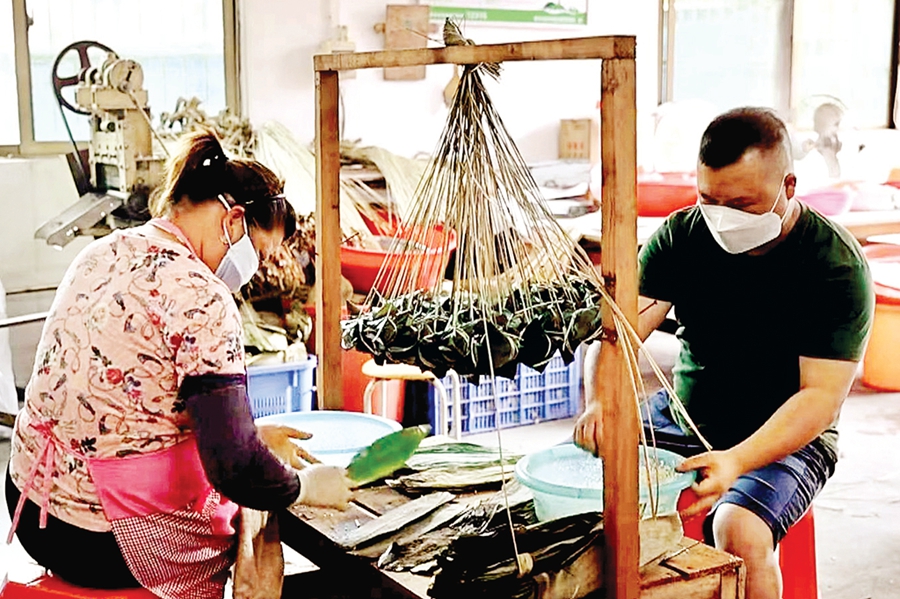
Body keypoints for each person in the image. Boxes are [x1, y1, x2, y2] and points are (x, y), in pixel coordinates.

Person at [5, 130, 353, 599]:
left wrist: (251, 434)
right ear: (233, 220)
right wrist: (306, 486)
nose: (252, 269)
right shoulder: (202, 297)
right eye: (258, 252)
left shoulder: (104, 251)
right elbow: (235, 468)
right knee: (240, 525)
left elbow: (137, 404)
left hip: (29, 503)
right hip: (96, 537)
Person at [575, 107, 874, 599]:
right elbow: (618, 334)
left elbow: (820, 399)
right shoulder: (682, 236)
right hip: (685, 416)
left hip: (787, 436)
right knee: (583, 480)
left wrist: (736, 461)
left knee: (739, 529)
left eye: (741, 204)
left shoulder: (833, 265)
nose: (722, 218)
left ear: (789, 187)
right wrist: (600, 401)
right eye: (710, 200)